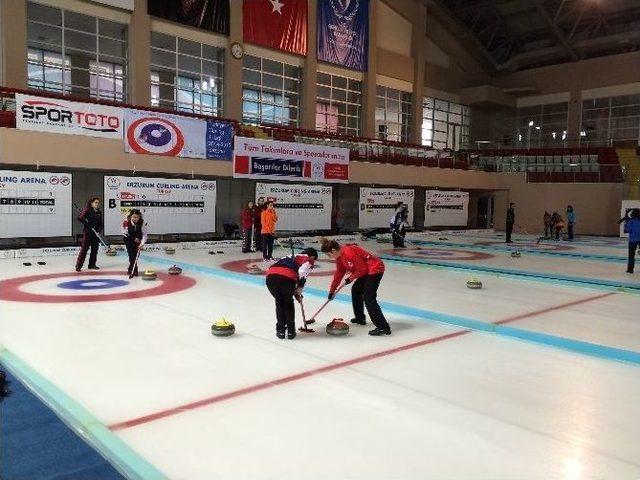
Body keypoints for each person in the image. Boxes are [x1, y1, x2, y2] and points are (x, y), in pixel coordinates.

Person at [321, 239, 391, 336]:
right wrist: (332, 291)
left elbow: (362, 269)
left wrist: (350, 278)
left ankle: (383, 327)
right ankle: (360, 318)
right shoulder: (339, 257)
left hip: (375, 268)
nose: (330, 257)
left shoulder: (349, 252)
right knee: (356, 290)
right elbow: (339, 273)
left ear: (333, 251)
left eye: (329, 255)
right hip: (366, 270)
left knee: (369, 298)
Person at [266, 247, 318, 339]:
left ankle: (281, 331)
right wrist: (298, 293)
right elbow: (302, 275)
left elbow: (274, 268)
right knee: (288, 303)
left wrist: (296, 292)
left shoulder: (289, 256)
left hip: (271, 278)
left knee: (280, 302)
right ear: (313, 256)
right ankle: (291, 331)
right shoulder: (308, 260)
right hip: (287, 278)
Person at [75, 197, 103, 272]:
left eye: (98, 203)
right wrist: (87, 222)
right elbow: (80, 218)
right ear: (91, 203)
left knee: (94, 250)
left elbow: (101, 223)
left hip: (95, 234)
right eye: (95, 202)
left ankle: (92, 265)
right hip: (87, 233)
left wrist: (99, 231)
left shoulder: (99, 212)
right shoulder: (87, 210)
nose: (97, 204)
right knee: (84, 250)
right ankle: (78, 265)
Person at [122, 209, 148, 277]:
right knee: (131, 255)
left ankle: (131, 268)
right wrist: (134, 239)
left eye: (137, 217)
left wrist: (141, 244)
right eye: (134, 217)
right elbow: (125, 233)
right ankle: (134, 270)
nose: (136, 219)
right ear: (131, 216)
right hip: (128, 240)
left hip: (138, 240)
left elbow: (145, 234)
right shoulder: (126, 222)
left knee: (136, 254)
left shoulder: (142, 222)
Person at [624, 208, 640, 273]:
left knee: (631, 255)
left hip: (632, 240)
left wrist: (625, 225)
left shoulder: (631, 221)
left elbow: (628, 230)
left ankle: (630, 269)